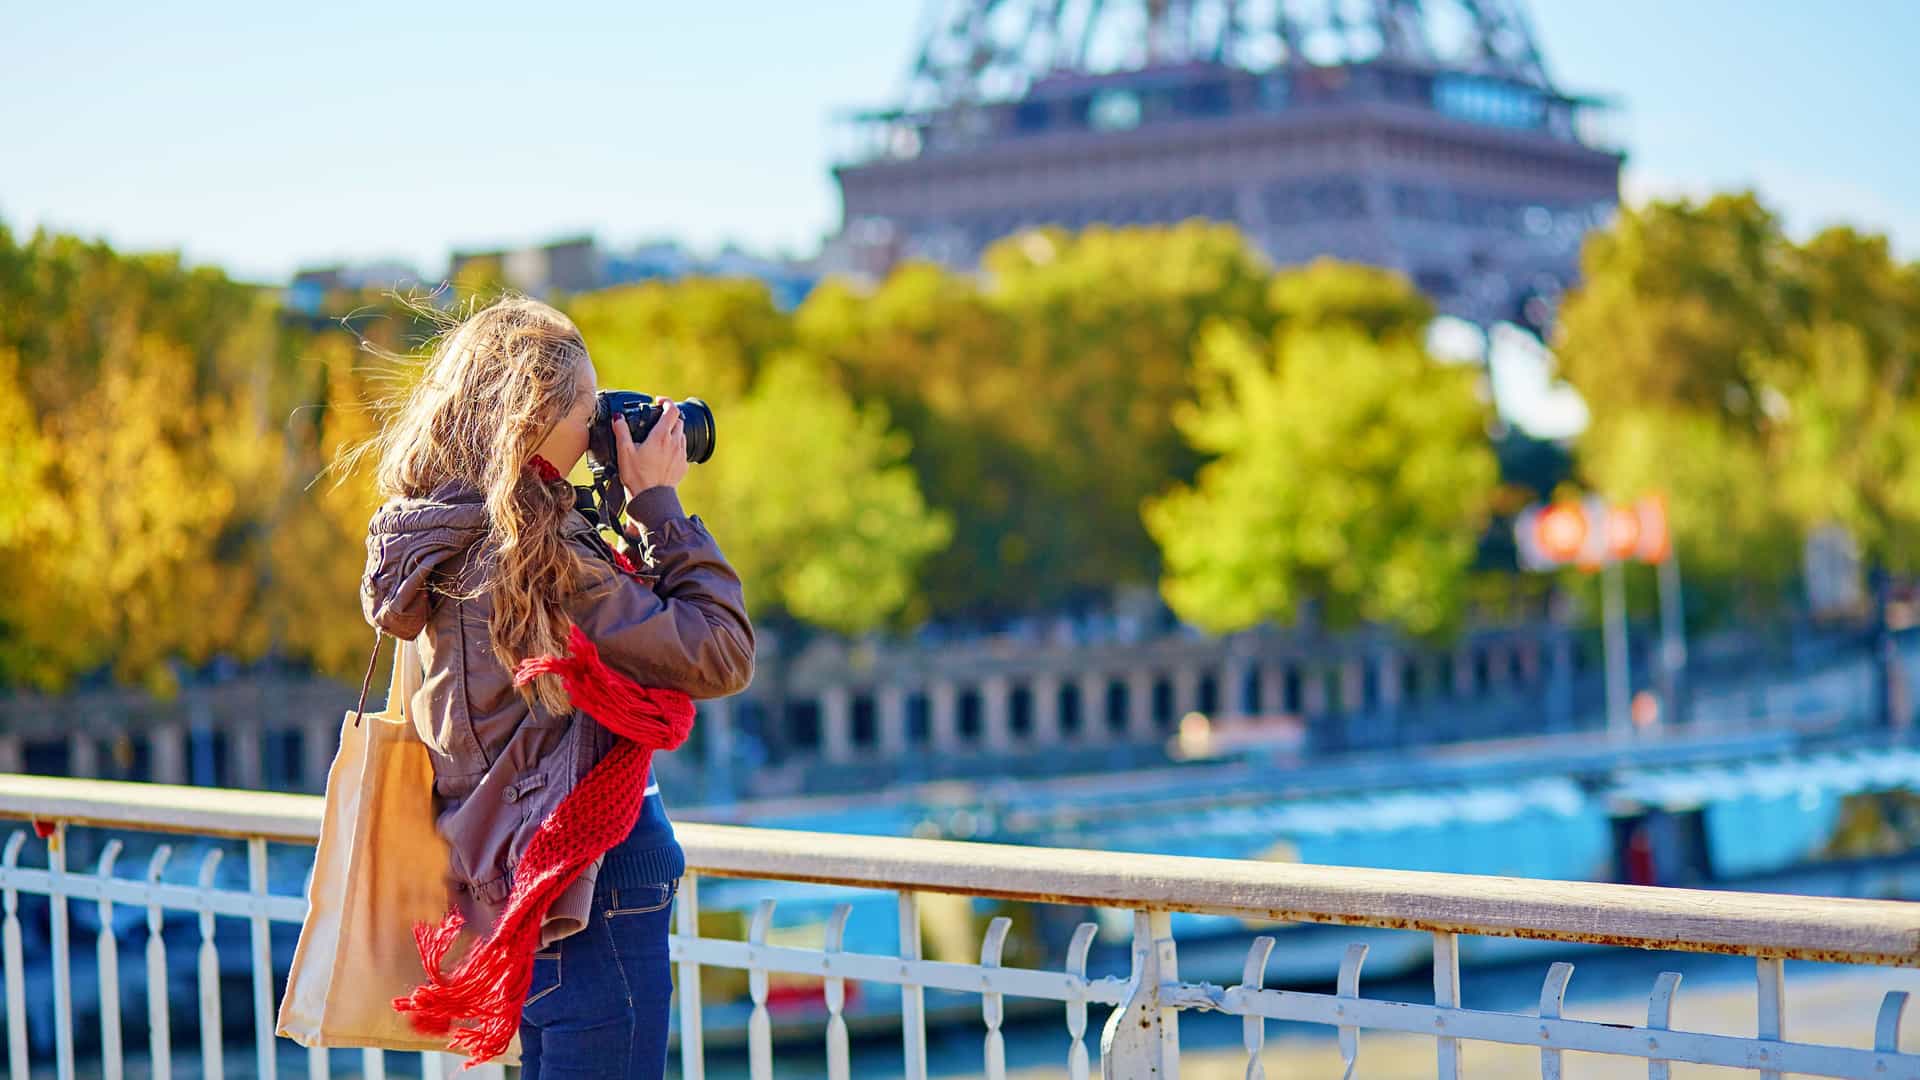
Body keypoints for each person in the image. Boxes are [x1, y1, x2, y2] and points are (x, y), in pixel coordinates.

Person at [357, 295, 753, 1079]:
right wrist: (657, 506)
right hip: (591, 883)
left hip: (519, 886)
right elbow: (721, 652)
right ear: (532, 417)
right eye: (586, 411)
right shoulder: (535, 557)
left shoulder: (440, 537)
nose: (598, 428)